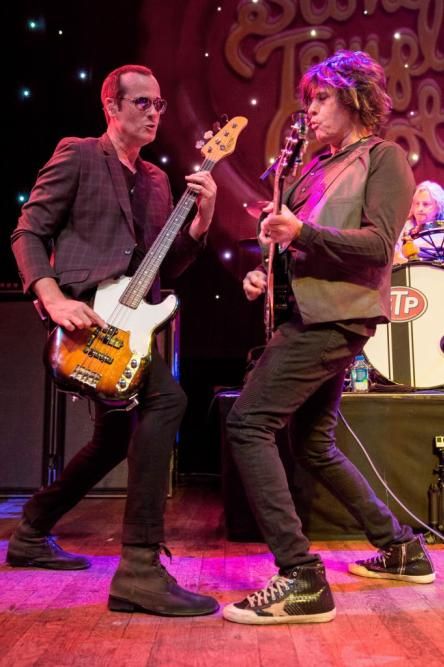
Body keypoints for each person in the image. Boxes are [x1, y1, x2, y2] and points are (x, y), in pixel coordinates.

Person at [223, 50, 435, 626]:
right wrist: (264, 272)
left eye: (321, 98)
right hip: (308, 311)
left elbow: (378, 245)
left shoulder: (383, 158)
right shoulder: (316, 166)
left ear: (355, 98)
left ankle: (300, 577)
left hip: (334, 318)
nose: (310, 111)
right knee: (313, 445)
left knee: (247, 424)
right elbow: (290, 243)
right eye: (308, 101)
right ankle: (401, 549)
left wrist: (302, 232)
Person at [7, 64, 219, 618]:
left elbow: (162, 267)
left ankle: (31, 531)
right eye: (142, 102)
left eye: (159, 104)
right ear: (112, 106)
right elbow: (28, 232)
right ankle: (140, 568)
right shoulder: (79, 154)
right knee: (168, 401)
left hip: (128, 330)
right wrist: (52, 298)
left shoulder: (157, 181)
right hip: (84, 320)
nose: (154, 112)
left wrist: (201, 222)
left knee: (113, 437)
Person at [393, 180, 444, 263]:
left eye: (426, 204)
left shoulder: (441, 232)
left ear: (438, 207)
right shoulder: (403, 229)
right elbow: (393, 258)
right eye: (417, 204)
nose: (420, 209)